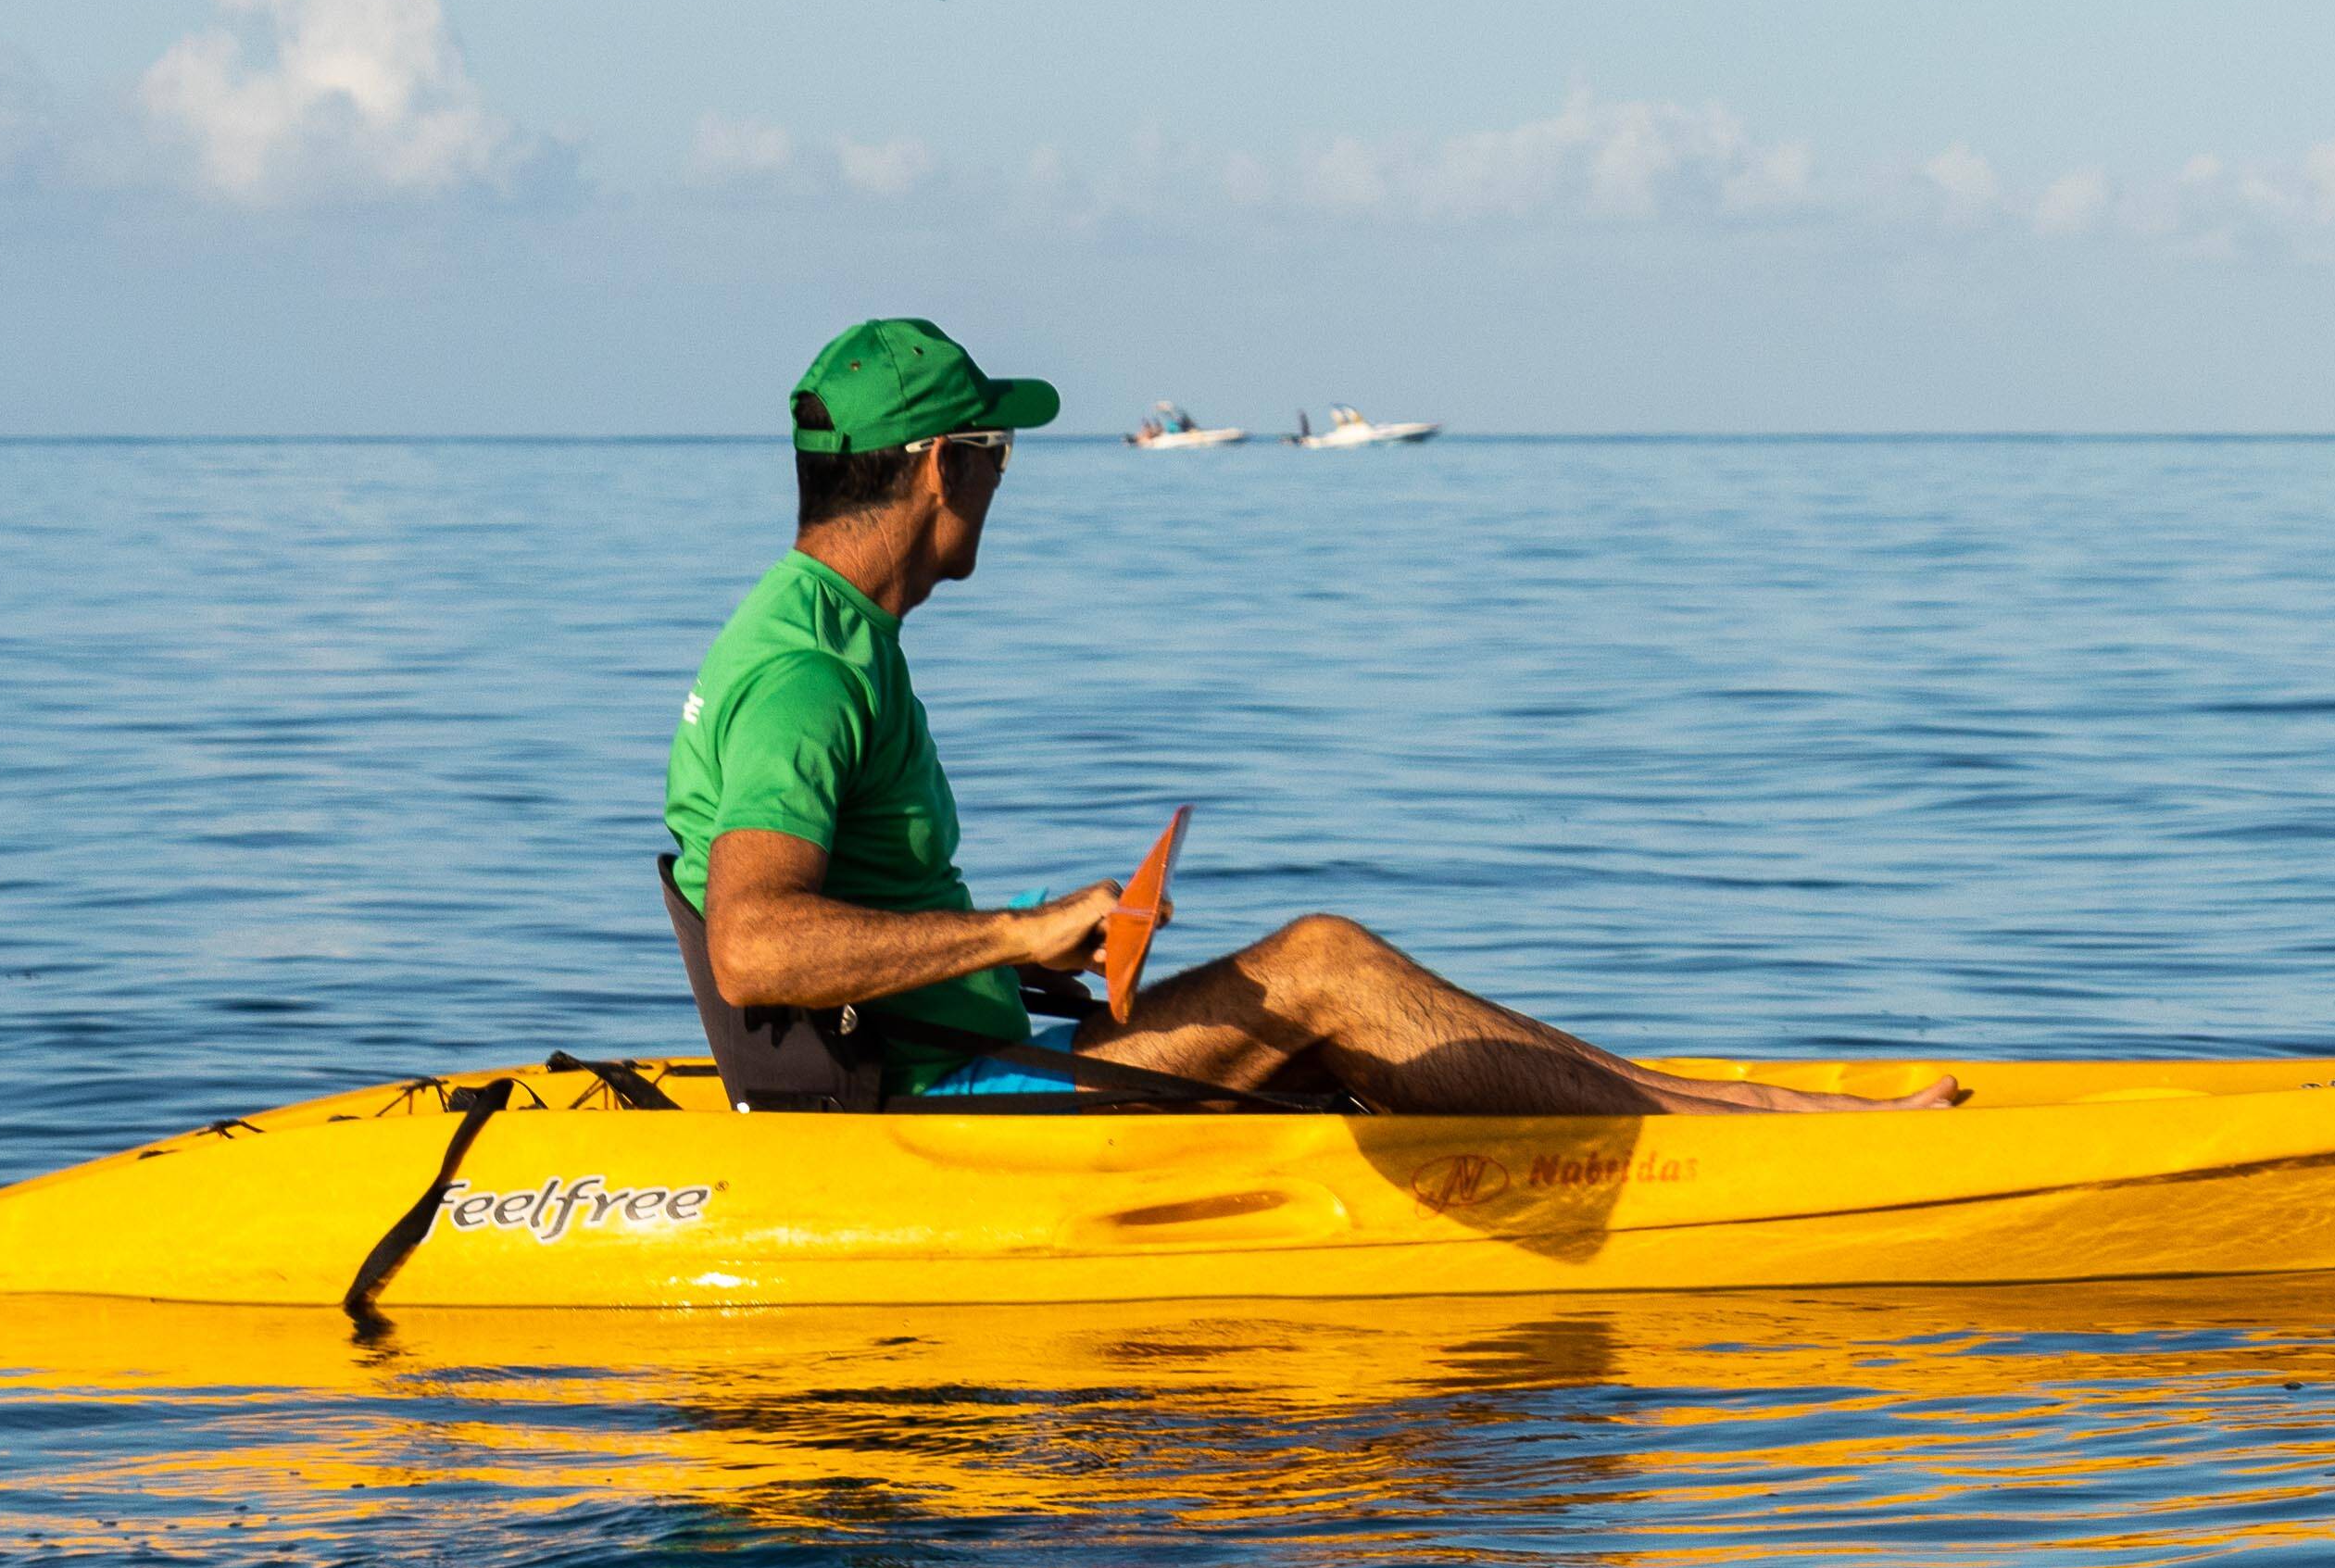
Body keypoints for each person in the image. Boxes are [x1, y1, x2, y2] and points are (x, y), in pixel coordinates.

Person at [671, 315, 1938, 1116]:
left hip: (952, 1054)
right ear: (944, 466)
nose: (1005, 480)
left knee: (1316, 992)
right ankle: (1736, 1133)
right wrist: (1012, 931)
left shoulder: (819, 634)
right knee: (1322, 962)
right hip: (936, 1105)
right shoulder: (806, 673)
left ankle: (1702, 1105)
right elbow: (754, 946)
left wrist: (1042, 949)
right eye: (999, 451)